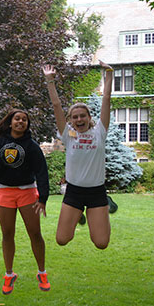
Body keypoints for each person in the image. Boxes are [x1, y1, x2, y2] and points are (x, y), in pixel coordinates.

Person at [0, 108, 50, 294]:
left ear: (27, 124)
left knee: (35, 233)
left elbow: (42, 172)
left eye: (24, 120)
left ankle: (42, 272)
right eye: (17, 119)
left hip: (27, 192)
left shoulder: (32, 146)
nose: (20, 122)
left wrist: (42, 198)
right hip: (5, 192)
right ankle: (9, 274)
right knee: (7, 234)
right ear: (10, 122)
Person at [44, 62, 112, 249]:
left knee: (101, 243)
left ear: (90, 118)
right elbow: (57, 105)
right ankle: (78, 213)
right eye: (75, 117)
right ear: (70, 121)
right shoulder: (68, 135)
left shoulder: (100, 132)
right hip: (74, 192)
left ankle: (104, 208)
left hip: (96, 192)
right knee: (62, 239)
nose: (79, 119)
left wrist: (109, 74)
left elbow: (106, 98)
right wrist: (50, 80)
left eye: (83, 116)